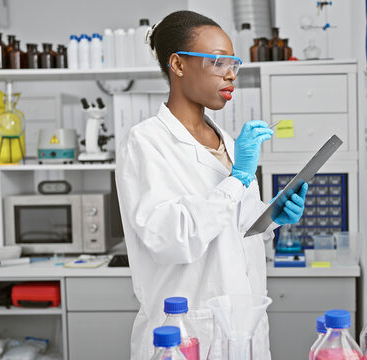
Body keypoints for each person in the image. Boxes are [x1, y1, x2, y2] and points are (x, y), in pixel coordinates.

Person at [115, 10, 309, 360]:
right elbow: (169, 239)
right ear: (178, 64)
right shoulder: (145, 143)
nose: (231, 74)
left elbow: (237, 233)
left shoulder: (231, 145)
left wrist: (273, 217)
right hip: (185, 334)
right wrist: (237, 180)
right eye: (219, 62)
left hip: (243, 331)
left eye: (234, 63)